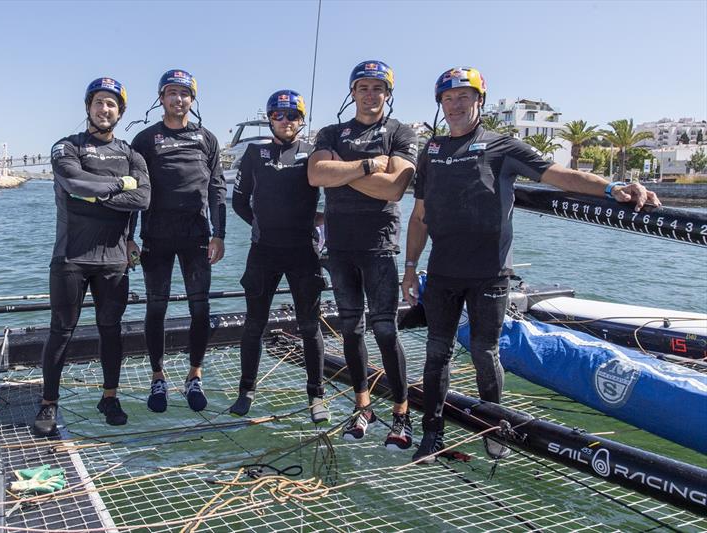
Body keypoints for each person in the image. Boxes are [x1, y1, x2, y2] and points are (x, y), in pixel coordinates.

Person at [402, 66, 661, 463]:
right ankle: (432, 433)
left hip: (489, 272)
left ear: (479, 101)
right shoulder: (432, 151)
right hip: (441, 272)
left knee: (485, 353)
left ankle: (492, 428)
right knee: (437, 352)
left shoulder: (502, 147)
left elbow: (558, 175)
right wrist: (409, 267)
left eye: (463, 97)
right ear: (440, 104)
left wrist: (612, 188)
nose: (455, 105)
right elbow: (419, 216)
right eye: (448, 99)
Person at [307, 60, 418, 449]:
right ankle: (363, 406)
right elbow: (317, 175)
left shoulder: (399, 132)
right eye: (363, 88)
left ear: (388, 94)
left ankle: (402, 414)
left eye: (378, 88)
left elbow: (394, 189)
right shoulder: (331, 131)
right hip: (339, 246)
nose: (370, 95)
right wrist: (370, 166)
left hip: (380, 246)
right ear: (352, 92)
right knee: (351, 330)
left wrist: (345, 171)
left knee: (385, 330)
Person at [34, 77, 151, 437]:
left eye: (112, 104)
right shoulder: (66, 147)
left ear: (121, 112)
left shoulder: (132, 154)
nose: (105, 109)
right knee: (61, 332)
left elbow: (143, 199)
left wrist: (95, 195)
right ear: (88, 107)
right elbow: (74, 185)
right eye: (99, 102)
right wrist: (120, 186)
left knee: (111, 331)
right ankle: (49, 403)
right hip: (72, 257)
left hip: (114, 260)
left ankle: (109, 397)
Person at [130, 69, 227, 413]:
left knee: (199, 308)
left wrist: (220, 234)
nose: (178, 99)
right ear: (161, 98)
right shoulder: (144, 140)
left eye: (184, 94)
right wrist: (129, 238)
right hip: (156, 236)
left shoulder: (207, 139)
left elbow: (217, 188)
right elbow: (133, 192)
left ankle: (194, 375)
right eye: (171, 93)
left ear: (192, 99)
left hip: (197, 236)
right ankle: (158, 377)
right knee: (156, 307)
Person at [229, 89, 328, 423]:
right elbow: (239, 200)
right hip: (264, 252)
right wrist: (260, 225)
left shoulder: (313, 153)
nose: (285, 121)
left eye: (292, 116)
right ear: (270, 119)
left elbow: (334, 198)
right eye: (278, 115)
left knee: (310, 326)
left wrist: (322, 222)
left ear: (301, 120)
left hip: (304, 252)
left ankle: (316, 395)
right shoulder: (255, 153)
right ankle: (246, 391)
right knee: (254, 324)